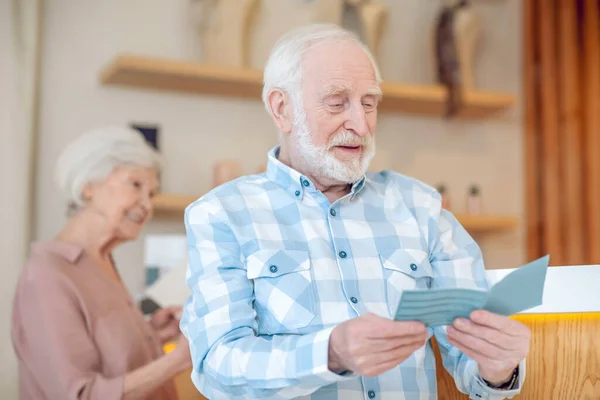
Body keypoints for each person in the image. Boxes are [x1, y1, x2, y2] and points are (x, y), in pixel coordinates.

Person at [180, 24, 529, 399]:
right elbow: (217, 364)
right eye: (336, 102)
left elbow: (472, 363)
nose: (361, 125)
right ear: (282, 109)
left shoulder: (422, 209)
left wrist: (497, 369)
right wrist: (329, 353)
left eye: (369, 102)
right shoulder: (221, 215)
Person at [11, 126, 192, 400]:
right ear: (88, 186)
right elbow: (81, 394)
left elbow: (106, 356)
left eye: (152, 194)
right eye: (135, 185)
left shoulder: (102, 261)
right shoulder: (47, 277)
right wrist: (178, 360)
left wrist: (152, 334)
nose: (146, 205)